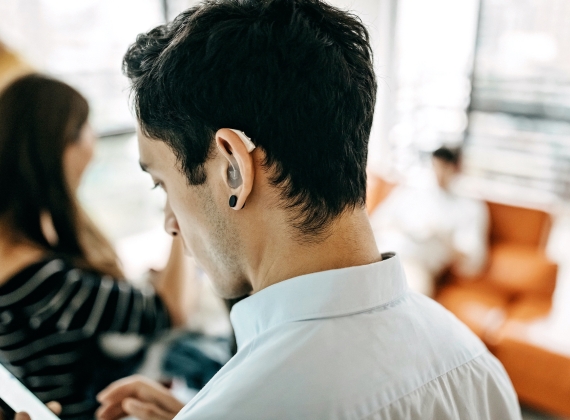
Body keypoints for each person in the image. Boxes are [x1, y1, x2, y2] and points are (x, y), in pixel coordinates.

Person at [84, 0, 519, 418]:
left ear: (233, 169)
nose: (169, 223)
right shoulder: (475, 366)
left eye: (163, 184)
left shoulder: (242, 407)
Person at [0, 75, 195, 419]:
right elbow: (170, 312)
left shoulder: (23, 245)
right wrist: (183, 197)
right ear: (62, 145)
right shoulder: (38, 279)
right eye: (86, 127)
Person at [369, 147, 490, 296]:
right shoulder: (411, 190)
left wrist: (441, 238)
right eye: (436, 166)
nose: (438, 174)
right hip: (380, 253)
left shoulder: (469, 207)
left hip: (417, 264)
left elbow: (472, 262)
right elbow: (375, 223)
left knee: (406, 295)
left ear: (457, 168)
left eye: (445, 167)